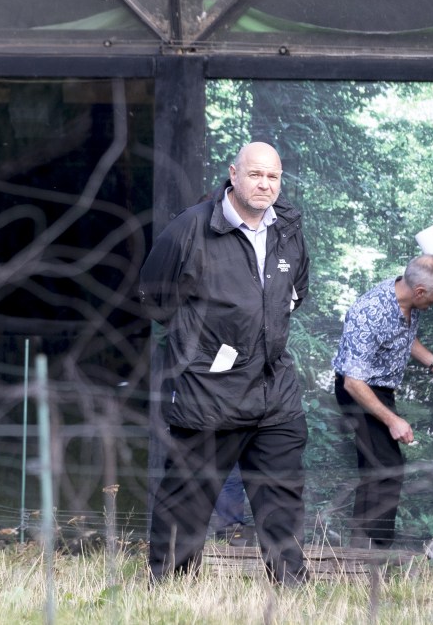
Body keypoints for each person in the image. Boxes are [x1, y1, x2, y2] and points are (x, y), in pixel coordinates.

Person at [139, 141, 310, 584]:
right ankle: (171, 587)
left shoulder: (287, 228)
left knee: (281, 498)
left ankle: (291, 589)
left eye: (273, 177)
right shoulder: (191, 228)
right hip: (207, 390)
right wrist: (203, 348)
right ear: (233, 174)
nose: (265, 185)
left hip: (274, 387)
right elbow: (156, 298)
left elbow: (296, 291)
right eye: (256, 175)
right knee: (188, 498)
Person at [332, 255, 433, 549]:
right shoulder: (369, 311)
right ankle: (377, 547)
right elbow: (352, 381)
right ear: (420, 292)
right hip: (358, 391)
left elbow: (403, 338)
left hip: (380, 390)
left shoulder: (407, 303)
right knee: (387, 468)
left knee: (378, 467)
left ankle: (361, 545)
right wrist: (393, 419)